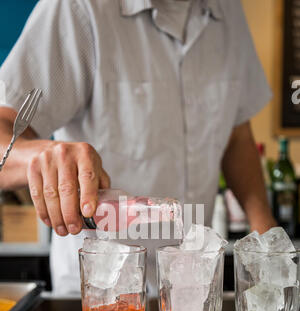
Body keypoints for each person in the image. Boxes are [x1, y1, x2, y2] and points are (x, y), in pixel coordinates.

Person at [0, 0, 275, 294]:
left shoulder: (228, 9)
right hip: (103, 296)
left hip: (192, 289)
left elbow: (236, 136)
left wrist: (267, 237)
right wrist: (43, 157)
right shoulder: (78, 8)